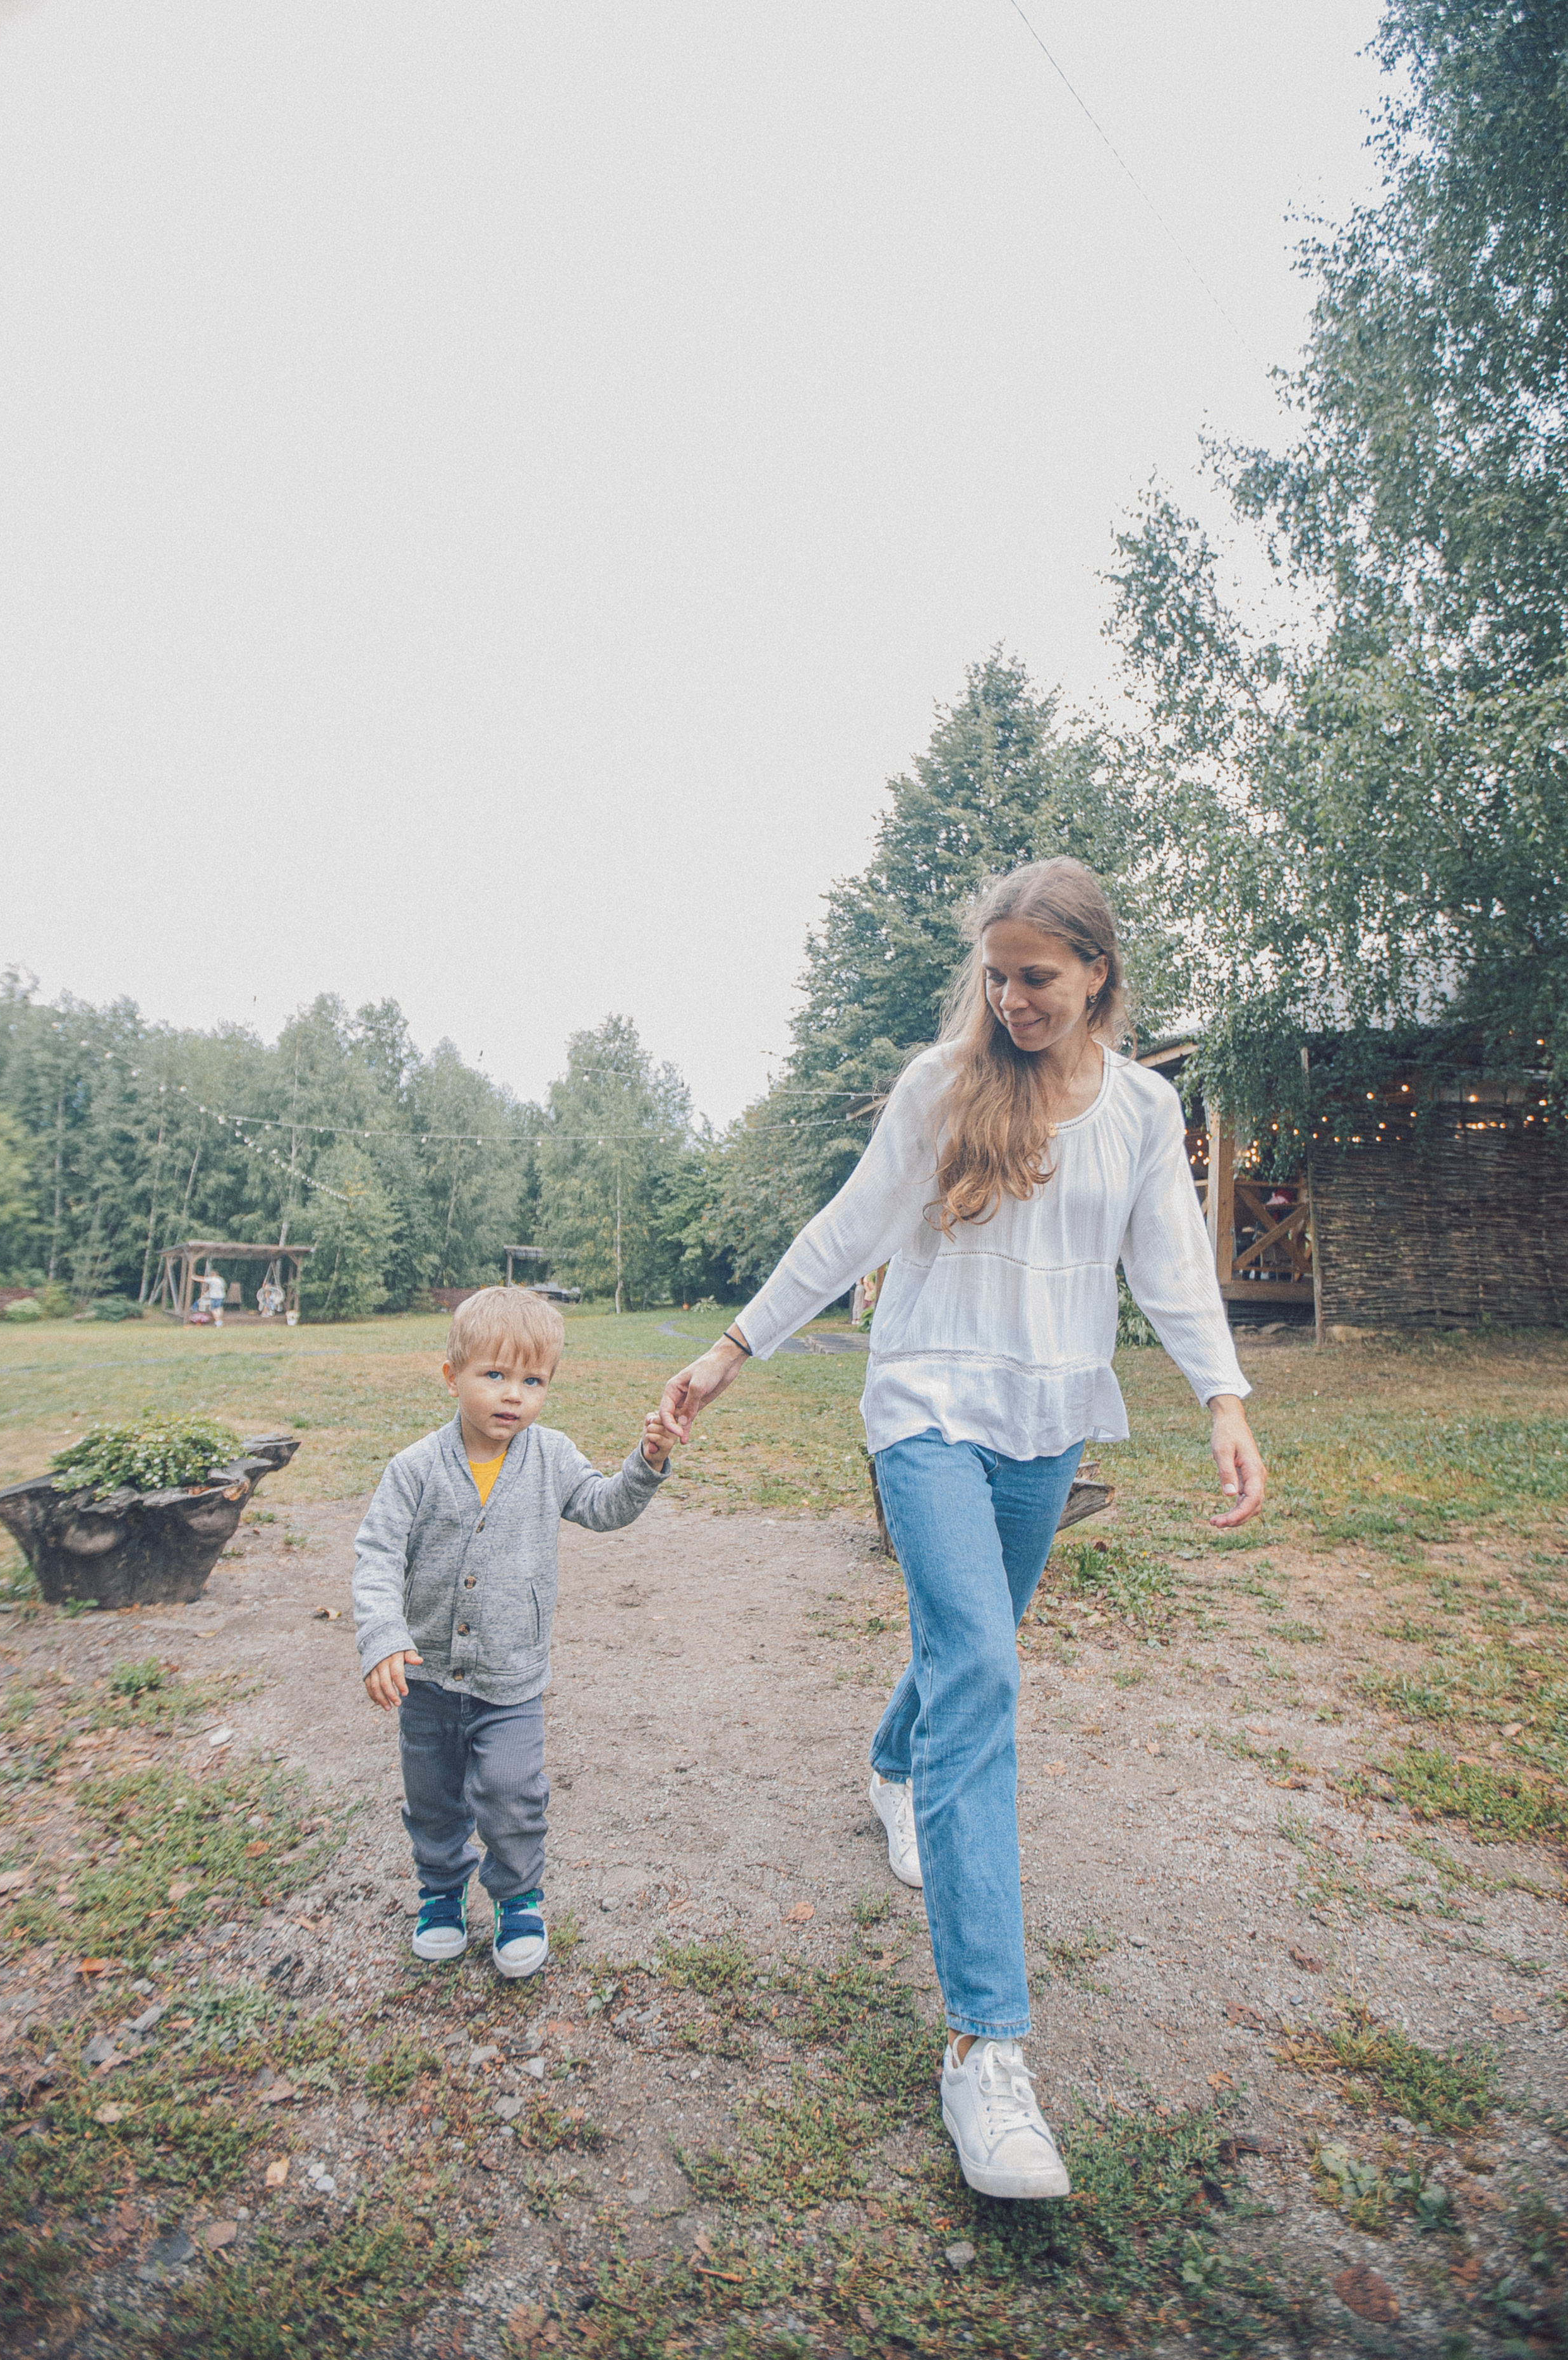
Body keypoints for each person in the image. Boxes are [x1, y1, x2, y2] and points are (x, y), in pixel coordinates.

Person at [660, 857, 1264, 2201]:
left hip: (1048, 1422)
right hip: (925, 1404)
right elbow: (843, 1231)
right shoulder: (944, 1088)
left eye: (1035, 977)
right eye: (994, 975)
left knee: (970, 1643)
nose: (1010, 999)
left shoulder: (1143, 1108)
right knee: (982, 1669)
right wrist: (726, 1350)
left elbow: (1167, 1263)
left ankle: (889, 1765)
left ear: (1096, 972)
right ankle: (985, 2049)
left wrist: (1222, 1398)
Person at [353, 1286, 677, 1975]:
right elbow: (377, 1553)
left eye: (533, 1381)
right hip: (428, 1678)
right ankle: (440, 1892)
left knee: (511, 1790)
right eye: (494, 1376)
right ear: (452, 1378)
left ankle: (518, 1896)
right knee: (433, 1796)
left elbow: (602, 1505)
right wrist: (382, 1634)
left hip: (512, 1677)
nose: (514, 1396)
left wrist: (644, 1462)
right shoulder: (413, 1469)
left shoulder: (550, 1456)